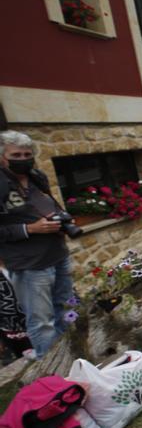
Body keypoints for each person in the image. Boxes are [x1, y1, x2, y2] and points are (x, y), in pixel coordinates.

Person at [0, 130, 74, 359]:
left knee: (65, 309)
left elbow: (50, 204)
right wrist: (30, 229)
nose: (22, 159)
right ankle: (53, 368)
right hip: (29, 264)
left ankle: (71, 356)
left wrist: (63, 218)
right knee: (42, 321)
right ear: (2, 156)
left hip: (57, 254)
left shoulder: (36, 177)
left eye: (26, 154)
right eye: (16, 154)